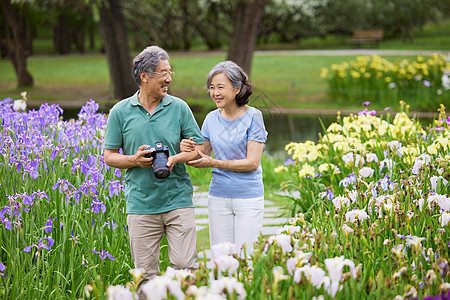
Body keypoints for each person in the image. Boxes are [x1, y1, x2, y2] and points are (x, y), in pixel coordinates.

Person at [103, 46, 203, 298]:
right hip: (141, 205)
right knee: (145, 276)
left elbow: (198, 148)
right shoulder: (120, 112)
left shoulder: (179, 108)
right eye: (163, 73)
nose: (169, 78)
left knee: (184, 268)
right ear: (145, 76)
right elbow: (109, 156)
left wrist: (176, 158)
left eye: (170, 72)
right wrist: (135, 160)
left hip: (177, 200)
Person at [181, 60, 268, 256]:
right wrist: (187, 148)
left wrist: (214, 163)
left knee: (247, 259)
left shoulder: (254, 117)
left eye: (221, 87)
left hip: (248, 198)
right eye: (212, 88)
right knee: (222, 261)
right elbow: (201, 153)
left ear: (237, 88)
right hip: (218, 197)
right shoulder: (211, 118)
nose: (215, 93)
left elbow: (252, 163)